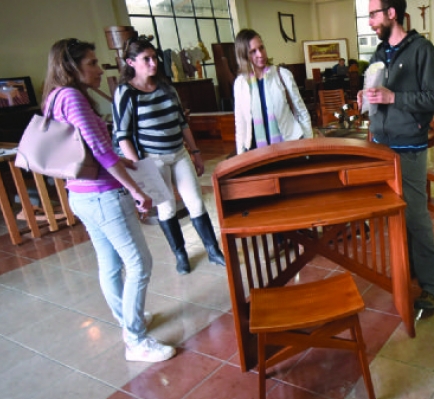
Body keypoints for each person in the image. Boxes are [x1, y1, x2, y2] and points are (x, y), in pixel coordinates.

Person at [44, 38, 175, 362]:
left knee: (111, 264)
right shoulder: (73, 97)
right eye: (91, 63)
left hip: (81, 195)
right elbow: (102, 153)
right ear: (71, 66)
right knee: (139, 263)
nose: (100, 69)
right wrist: (136, 190)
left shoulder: (54, 97)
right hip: (103, 197)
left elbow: (86, 150)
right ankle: (135, 339)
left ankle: (129, 322)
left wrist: (124, 163)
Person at [358, 0, 434, 310]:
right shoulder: (380, 53)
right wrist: (366, 96)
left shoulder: (422, 49)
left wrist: (393, 96)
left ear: (391, 13)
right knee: (394, 216)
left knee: (415, 216)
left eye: (373, 14)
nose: (370, 21)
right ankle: (408, 272)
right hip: (381, 143)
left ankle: (433, 286)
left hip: (408, 146)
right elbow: (375, 89)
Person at [113, 38, 226, 275]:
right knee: (166, 209)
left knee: (195, 202)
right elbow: (122, 135)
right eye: (147, 59)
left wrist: (195, 152)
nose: (153, 63)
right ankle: (181, 254)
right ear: (131, 62)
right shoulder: (126, 93)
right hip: (153, 159)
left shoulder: (166, 87)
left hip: (179, 153)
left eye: (154, 57)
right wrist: (141, 169)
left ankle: (213, 249)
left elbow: (183, 123)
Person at [233, 29, 313, 154]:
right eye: (253, 51)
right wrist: (240, 154)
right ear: (244, 55)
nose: (260, 54)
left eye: (261, 48)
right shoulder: (240, 84)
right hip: (255, 151)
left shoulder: (283, 75)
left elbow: (302, 112)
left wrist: (309, 146)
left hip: (288, 146)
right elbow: (240, 123)